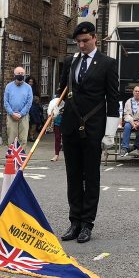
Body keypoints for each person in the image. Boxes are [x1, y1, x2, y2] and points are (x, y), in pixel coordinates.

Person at [56, 21, 120, 244]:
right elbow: (62, 90)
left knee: (91, 177)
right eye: (78, 42)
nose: (81, 45)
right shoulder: (70, 61)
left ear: (95, 38)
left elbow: (112, 100)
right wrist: (56, 102)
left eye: (85, 41)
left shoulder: (107, 64)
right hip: (71, 125)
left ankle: (87, 223)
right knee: (73, 176)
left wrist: (110, 132)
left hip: (94, 127)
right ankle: (74, 221)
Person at [119, 85, 139, 157]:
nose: (137, 92)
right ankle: (124, 148)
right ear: (133, 92)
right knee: (127, 126)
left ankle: (137, 145)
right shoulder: (128, 101)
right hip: (131, 120)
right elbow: (126, 114)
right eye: (136, 91)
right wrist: (132, 122)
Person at [4, 65, 33, 146]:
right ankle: (12, 158)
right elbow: (6, 102)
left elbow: (29, 103)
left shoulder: (28, 88)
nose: (20, 74)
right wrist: (12, 113)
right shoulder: (8, 86)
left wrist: (21, 114)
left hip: (24, 116)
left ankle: (22, 159)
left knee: (23, 140)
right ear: (14, 75)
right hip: (11, 116)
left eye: (22, 73)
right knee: (12, 140)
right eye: (18, 73)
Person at [48, 95, 64, 161]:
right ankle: (56, 155)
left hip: (66, 123)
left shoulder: (65, 103)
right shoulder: (54, 103)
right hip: (57, 123)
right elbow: (50, 113)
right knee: (57, 138)